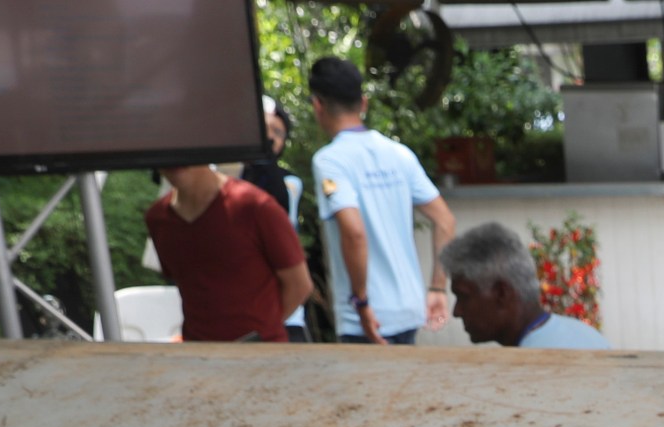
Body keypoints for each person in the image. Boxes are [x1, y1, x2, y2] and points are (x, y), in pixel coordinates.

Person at [306, 57, 457, 344]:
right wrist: (437, 288)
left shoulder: (329, 161)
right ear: (363, 103)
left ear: (318, 105)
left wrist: (361, 303)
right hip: (409, 309)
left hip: (365, 318)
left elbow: (354, 232)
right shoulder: (399, 154)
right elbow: (445, 220)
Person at [142, 164, 312, 343]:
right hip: (197, 356)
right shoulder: (158, 219)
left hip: (262, 357)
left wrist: (262, 332)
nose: (174, 160)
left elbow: (299, 285)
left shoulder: (254, 205)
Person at [440, 223, 609, 349]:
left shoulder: (529, 368)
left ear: (501, 294)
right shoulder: (585, 334)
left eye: (463, 297)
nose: (457, 312)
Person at [238, 97, 311, 342]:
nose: (269, 137)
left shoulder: (289, 183)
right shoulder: (226, 176)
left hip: (284, 318)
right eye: (263, 128)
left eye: (277, 132)